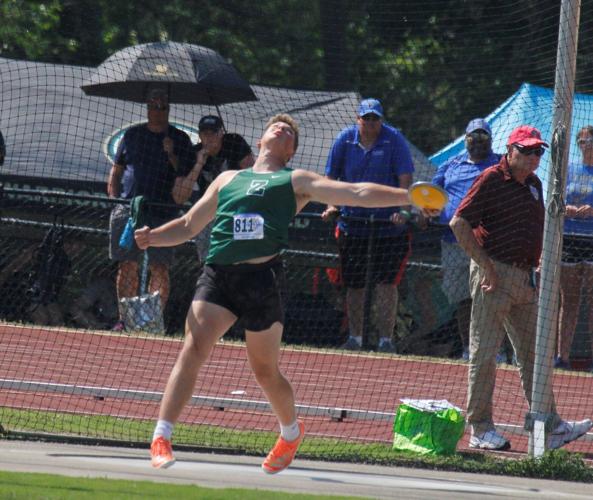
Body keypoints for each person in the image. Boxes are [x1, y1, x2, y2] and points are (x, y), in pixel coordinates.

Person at [135, 113, 439, 473]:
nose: (282, 130)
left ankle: (291, 433)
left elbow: (356, 193)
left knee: (264, 371)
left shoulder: (295, 180)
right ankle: (161, 437)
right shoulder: (228, 179)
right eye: (276, 127)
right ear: (261, 139)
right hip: (219, 276)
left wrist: (408, 196)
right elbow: (188, 226)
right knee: (193, 347)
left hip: (262, 280)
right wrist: (153, 236)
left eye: (290, 133)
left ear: (290, 151)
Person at [450, 124, 593, 450]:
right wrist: (484, 266)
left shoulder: (534, 184)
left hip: (524, 278)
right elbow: (458, 223)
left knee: (535, 356)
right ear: (510, 150)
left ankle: (546, 426)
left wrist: (539, 262)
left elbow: (535, 226)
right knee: (485, 354)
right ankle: (480, 428)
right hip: (493, 276)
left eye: (538, 152)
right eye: (526, 151)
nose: (533, 157)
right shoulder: (490, 179)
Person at [322, 98, 414, 352]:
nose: (371, 124)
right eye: (367, 119)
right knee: (355, 284)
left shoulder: (394, 139)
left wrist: (403, 211)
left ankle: (386, 341)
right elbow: (331, 177)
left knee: (387, 284)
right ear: (358, 119)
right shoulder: (344, 139)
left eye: (375, 119)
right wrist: (332, 205)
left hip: (388, 225)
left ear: (381, 120)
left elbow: (405, 177)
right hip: (353, 223)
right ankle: (355, 338)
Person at [107, 88, 196, 331]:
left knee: (159, 266)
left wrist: (171, 154)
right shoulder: (132, 135)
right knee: (127, 264)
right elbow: (116, 170)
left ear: (168, 108)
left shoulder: (180, 140)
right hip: (129, 209)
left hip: (163, 212)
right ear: (147, 107)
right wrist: (115, 201)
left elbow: (184, 176)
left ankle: (151, 320)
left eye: (163, 106)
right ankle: (125, 320)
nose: (158, 109)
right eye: (153, 105)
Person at [433, 118, 501, 360]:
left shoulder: (500, 164)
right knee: (463, 299)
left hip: (486, 244)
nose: (478, 141)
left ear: (490, 140)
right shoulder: (450, 165)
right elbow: (432, 196)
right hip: (452, 243)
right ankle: (467, 349)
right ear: (466, 139)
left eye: (483, 137)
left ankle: (492, 351)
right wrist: (424, 211)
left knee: (488, 298)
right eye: (474, 137)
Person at [175, 115, 254, 263]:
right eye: (205, 134)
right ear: (199, 136)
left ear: (221, 133)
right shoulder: (193, 153)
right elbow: (179, 197)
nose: (210, 138)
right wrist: (198, 164)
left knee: (243, 263)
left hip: (236, 211)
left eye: (214, 133)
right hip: (208, 215)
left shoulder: (234, 143)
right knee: (209, 263)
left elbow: (253, 175)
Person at [555, 125, 593, 369]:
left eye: (589, 140)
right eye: (582, 141)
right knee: (568, 300)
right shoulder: (568, 169)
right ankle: (562, 356)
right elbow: (556, 199)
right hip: (569, 237)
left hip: (592, 240)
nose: (586, 144)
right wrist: (567, 209)